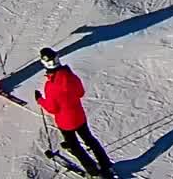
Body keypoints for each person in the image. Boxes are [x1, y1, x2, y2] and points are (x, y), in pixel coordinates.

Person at [36, 48, 114, 177]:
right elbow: (80, 92)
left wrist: (40, 100)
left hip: (65, 122)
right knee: (89, 139)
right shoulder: (70, 76)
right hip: (79, 116)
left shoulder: (50, 86)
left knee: (75, 146)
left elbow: (52, 108)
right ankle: (105, 163)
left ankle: (93, 172)